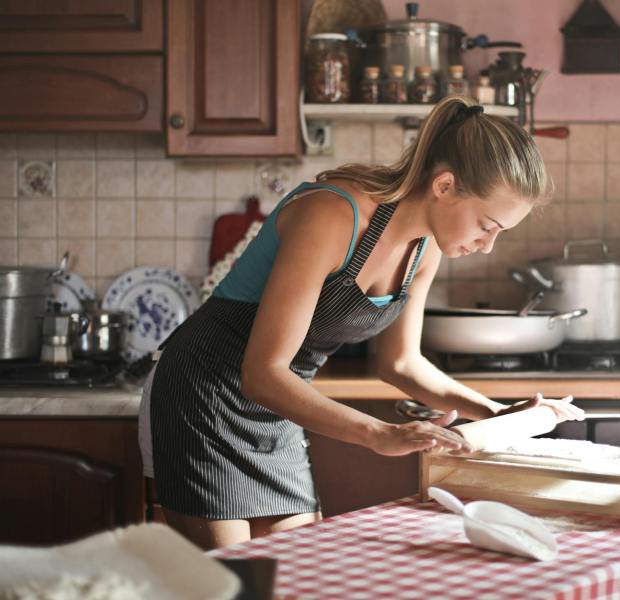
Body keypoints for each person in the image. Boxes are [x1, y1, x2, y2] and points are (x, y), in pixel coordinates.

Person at [138, 95, 584, 550]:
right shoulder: (333, 214)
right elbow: (262, 371)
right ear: (445, 186)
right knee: (231, 581)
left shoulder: (425, 247)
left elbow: (402, 364)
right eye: (486, 225)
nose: (487, 245)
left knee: (293, 572)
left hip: (280, 402)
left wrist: (500, 415)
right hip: (204, 392)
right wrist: (379, 434)